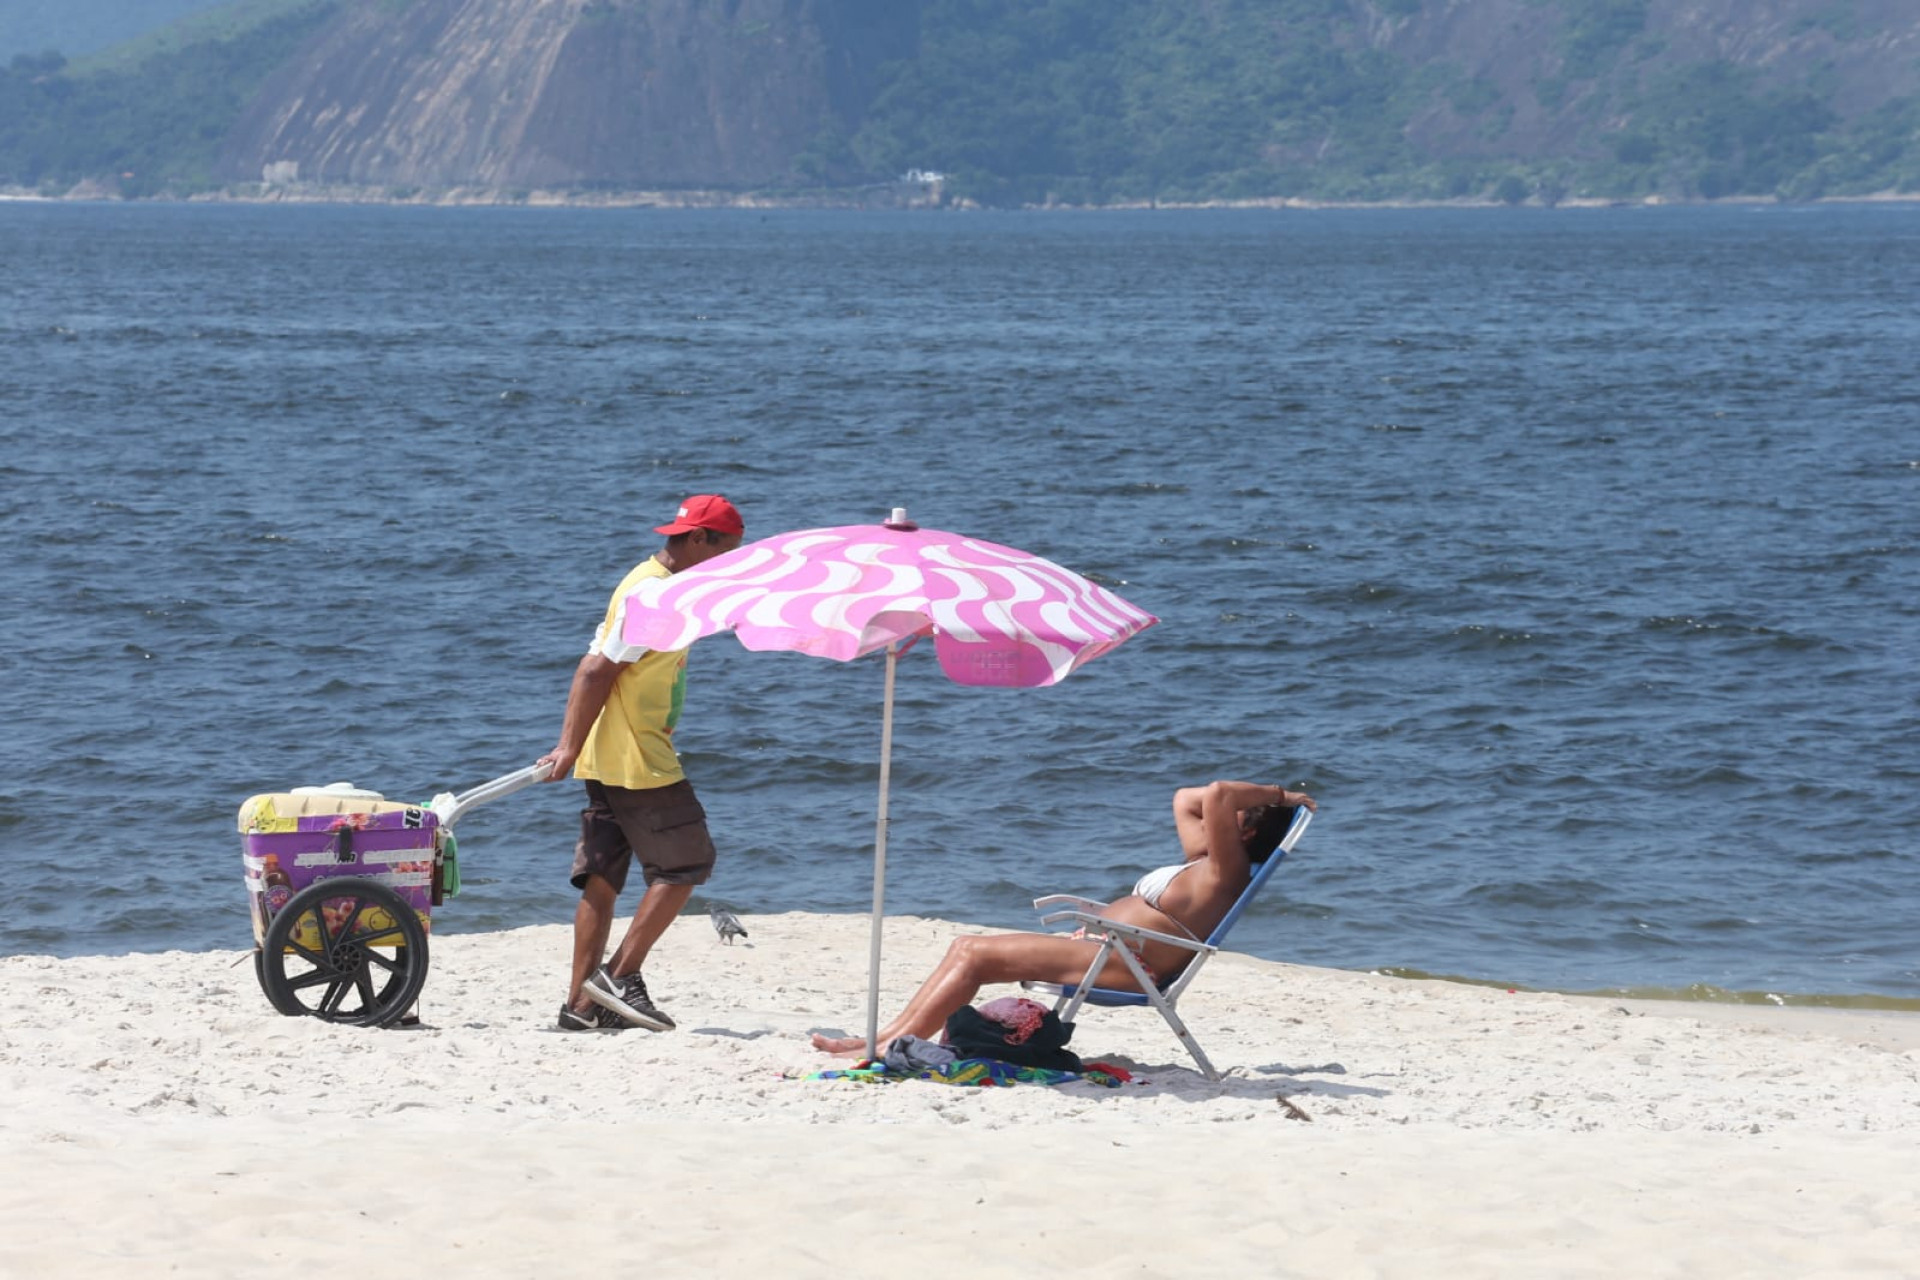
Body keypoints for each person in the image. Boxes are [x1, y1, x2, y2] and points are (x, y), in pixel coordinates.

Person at [811, 779, 1316, 1056]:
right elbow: (1188, 797)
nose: (1211, 819)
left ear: (1245, 834)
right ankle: (885, 1039)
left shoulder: (1226, 874)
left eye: (1226, 821)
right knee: (965, 947)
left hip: (1127, 965)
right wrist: (1247, 809)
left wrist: (1282, 798)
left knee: (975, 953)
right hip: (1109, 951)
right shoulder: (1203, 862)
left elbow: (1219, 792)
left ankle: (888, 1045)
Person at [537, 494, 745, 1032]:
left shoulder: (648, 582)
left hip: (610, 752)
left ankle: (581, 1008)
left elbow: (595, 660)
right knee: (687, 862)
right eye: (726, 550)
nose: (728, 561)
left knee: (603, 878)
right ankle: (617, 977)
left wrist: (577, 746)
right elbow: (594, 671)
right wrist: (567, 746)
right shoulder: (656, 595)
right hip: (636, 757)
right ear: (697, 539)